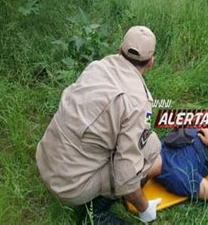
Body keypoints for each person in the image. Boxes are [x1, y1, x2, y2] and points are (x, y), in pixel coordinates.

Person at [36, 26, 162, 224]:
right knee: (152, 145)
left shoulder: (97, 66)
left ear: (120, 49)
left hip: (45, 158)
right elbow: (126, 174)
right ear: (151, 62)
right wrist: (145, 209)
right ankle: (95, 211)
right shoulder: (137, 101)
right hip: (70, 186)